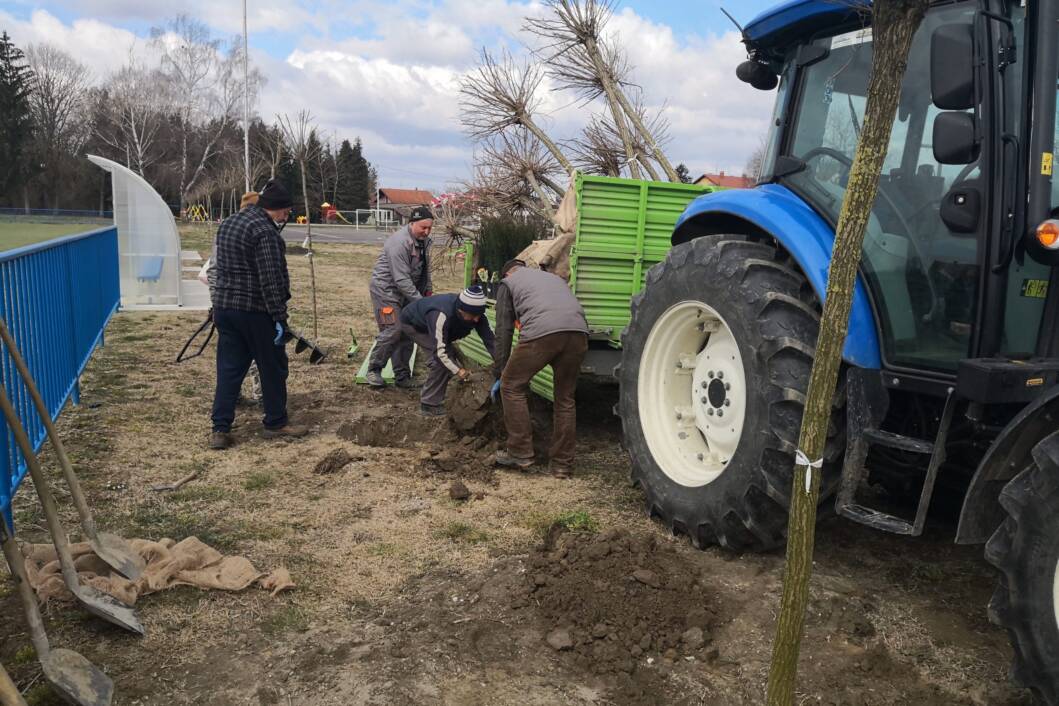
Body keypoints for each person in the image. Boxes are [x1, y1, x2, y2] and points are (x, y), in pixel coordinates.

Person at [208, 179, 308, 450]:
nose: (286, 217)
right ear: (274, 209)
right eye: (285, 212)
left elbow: (218, 266)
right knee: (273, 367)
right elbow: (271, 279)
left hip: (225, 308)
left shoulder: (229, 223)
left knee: (229, 369)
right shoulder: (265, 232)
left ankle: (220, 427)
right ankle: (275, 422)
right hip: (255, 311)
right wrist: (280, 318)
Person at [492, 259, 589, 477]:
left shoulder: (508, 284)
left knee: (511, 387)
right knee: (565, 398)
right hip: (578, 332)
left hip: (543, 332)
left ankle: (520, 452)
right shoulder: (553, 278)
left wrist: (500, 372)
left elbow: (504, 330)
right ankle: (562, 465)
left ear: (507, 274)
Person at [365, 206, 434, 388]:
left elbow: (424, 271)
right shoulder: (399, 243)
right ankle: (374, 370)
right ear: (412, 224)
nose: (426, 232)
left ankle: (402, 377)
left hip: (406, 292)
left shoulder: (424, 241)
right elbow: (401, 279)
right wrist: (420, 304)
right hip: (386, 291)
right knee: (393, 329)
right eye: (423, 228)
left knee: (408, 331)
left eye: (429, 228)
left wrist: (428, 293)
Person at [399, 286, 495, 416]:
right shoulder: (441, 314)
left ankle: (440, 385)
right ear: (461, 310)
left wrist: (502, 364)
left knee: (449, 359)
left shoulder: (476, 315)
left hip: (442, 329)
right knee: (442, 363)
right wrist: (459, 371)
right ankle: (429, 404)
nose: (476, 320)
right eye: (473, 316)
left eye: (479, 315)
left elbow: (490, 341)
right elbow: (440, 354)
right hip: (416, 325)